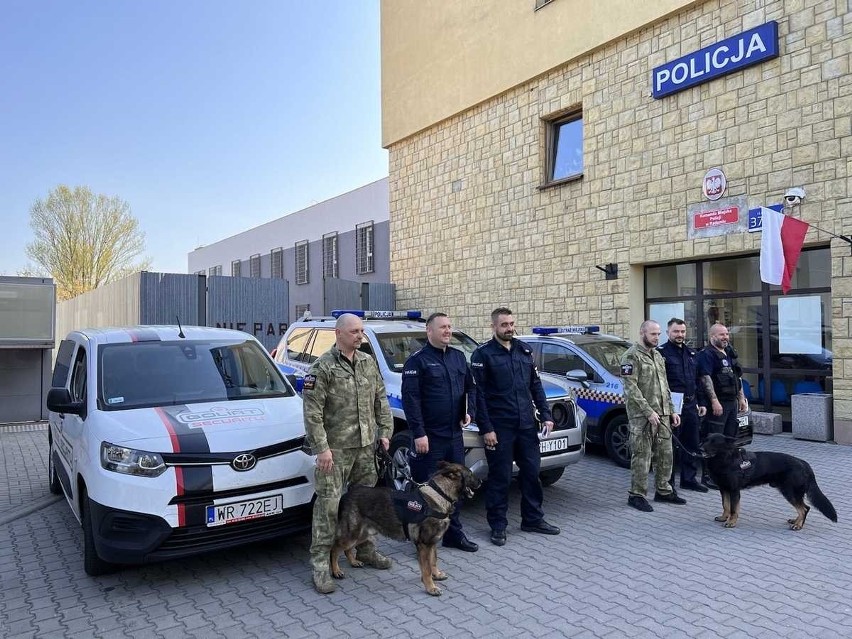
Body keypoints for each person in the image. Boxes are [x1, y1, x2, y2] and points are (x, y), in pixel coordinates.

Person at [302, 312, 394, 594]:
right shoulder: (323, 368)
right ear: (338, 333)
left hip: (366, 447)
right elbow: (312, 413)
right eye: (354, 331)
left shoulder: (367, 362)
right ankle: (320, 565)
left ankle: (366, 550)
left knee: (367, 504)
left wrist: (385, 433)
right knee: (328, 507)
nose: (359, 335)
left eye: (361, 331)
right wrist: (322, 448)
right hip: (335, 451)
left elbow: (381, 399)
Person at [471, 307, 560, 546]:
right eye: (504, 325)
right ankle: (498, 525)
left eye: (511, 324)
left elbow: (536, 385)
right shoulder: (482, 355)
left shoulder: (524, 350)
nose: (509, 328)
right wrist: (486, 428)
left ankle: (532, 519)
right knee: (500, 478)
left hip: (526, 425)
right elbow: (478, 396)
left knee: (531, 473)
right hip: (499, 428)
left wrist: (546, 414)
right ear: (493, 327)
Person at [401, 312, 479, 552]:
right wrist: (419, 433)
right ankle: (419, 541)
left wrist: (470, 412)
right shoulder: (418, 361)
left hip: (454, 436)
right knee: (425, 491)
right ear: (429, 331)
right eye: (442, 327)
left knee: (454, 489)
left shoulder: (457, 357)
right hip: (430, 437)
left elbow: (471, 389)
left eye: (449, 327)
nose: (447, 331)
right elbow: (411, 399)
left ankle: (454, 535)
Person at [621, 320, 684, 512]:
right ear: (642, 333)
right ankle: (637, 495)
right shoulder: (631, 356)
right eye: (653, 334)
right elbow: (631, 388)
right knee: (642, 456)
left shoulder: (657, 355)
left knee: (666, 454)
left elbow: (665, 386)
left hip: (663, 414)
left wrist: (672, 410)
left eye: (658, 334)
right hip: (642, 417)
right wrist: (648, 412)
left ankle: (664, 491)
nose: (657, 337)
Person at [657, 318, 708, 493]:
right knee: (669, 446)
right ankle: (667, 483)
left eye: (682, 332)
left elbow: (697, 381)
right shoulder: (661, 353)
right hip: (672, 407)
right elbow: (660, 384)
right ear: (668, 333)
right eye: (676, 331)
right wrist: (668, 409)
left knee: (691, 443)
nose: (680, 335)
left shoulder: (692, 353)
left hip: (690, 404)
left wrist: (701, 402)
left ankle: (689, 479)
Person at [696, 323, 748, 489]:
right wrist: (714, 401)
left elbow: (736, 377)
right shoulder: (706, 354)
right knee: (713, 441)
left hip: (732, 402)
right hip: (718, 404)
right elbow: (706, 378)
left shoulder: (730, 352)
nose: (725, 337)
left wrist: (741, 397)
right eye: (721, 335)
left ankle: (727, 471)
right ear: (712, 337)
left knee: (729, 439)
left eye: (726, 334)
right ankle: (708, 476)